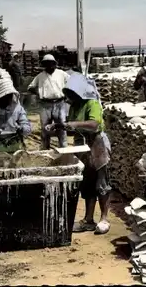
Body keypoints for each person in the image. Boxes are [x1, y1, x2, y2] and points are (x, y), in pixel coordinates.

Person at [45, 73, 111, 234]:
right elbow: (74, 129)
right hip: (82, 145)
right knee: (87, 182)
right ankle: (88, 219)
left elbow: (94, 124)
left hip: (97, 143)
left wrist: (72, 124)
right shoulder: (75, 106)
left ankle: (104, 218)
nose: (71, 96)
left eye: (73, 93)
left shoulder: (92, 103)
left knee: (101, 182)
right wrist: (59, 126)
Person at [28, 54, 70, 150]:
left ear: (54, 64)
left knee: (62, 127)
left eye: (51, 63)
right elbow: (30, 88)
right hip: (45, 104)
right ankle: (45, 149)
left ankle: (64, 148)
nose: (49, 66)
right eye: (47, 64)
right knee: (45, 128)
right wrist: (38, 92)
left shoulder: (61, 73)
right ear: (44, 65)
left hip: (60, 103)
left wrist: (67, 94)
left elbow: (71, 82)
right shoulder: (40, 76)